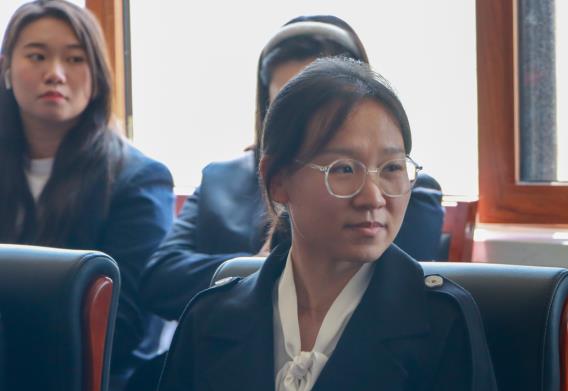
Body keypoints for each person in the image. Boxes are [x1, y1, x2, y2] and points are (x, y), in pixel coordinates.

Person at [133, 57, 501, 391]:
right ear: (278, 180)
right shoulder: (212, 319)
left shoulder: (440, 324)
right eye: (344, 169)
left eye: (392, 168)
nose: (374, 196)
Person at [139, 15, 445, 328]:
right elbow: (160, 278)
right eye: (290, 100)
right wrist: (264, 270)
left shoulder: (410, 192)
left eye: (322, 96)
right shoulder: (219, 179)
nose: (306, 114)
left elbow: (391, 293)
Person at [0, 0, 173, 391]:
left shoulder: (137, 179)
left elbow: (123, 327)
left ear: (97, 76)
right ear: (6, 68)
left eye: (75, 59)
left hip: (93, 389)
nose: (55, 73)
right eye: (37, 56)